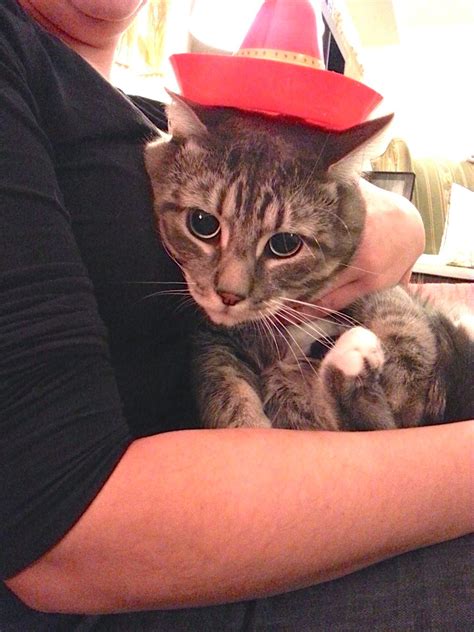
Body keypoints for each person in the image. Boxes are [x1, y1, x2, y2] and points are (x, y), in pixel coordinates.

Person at [0, 1, 472, 630]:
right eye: (202, 226)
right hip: (165, 573)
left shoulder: (154, 121)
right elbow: (61, 532)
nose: (228, 289)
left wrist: (398, 223)